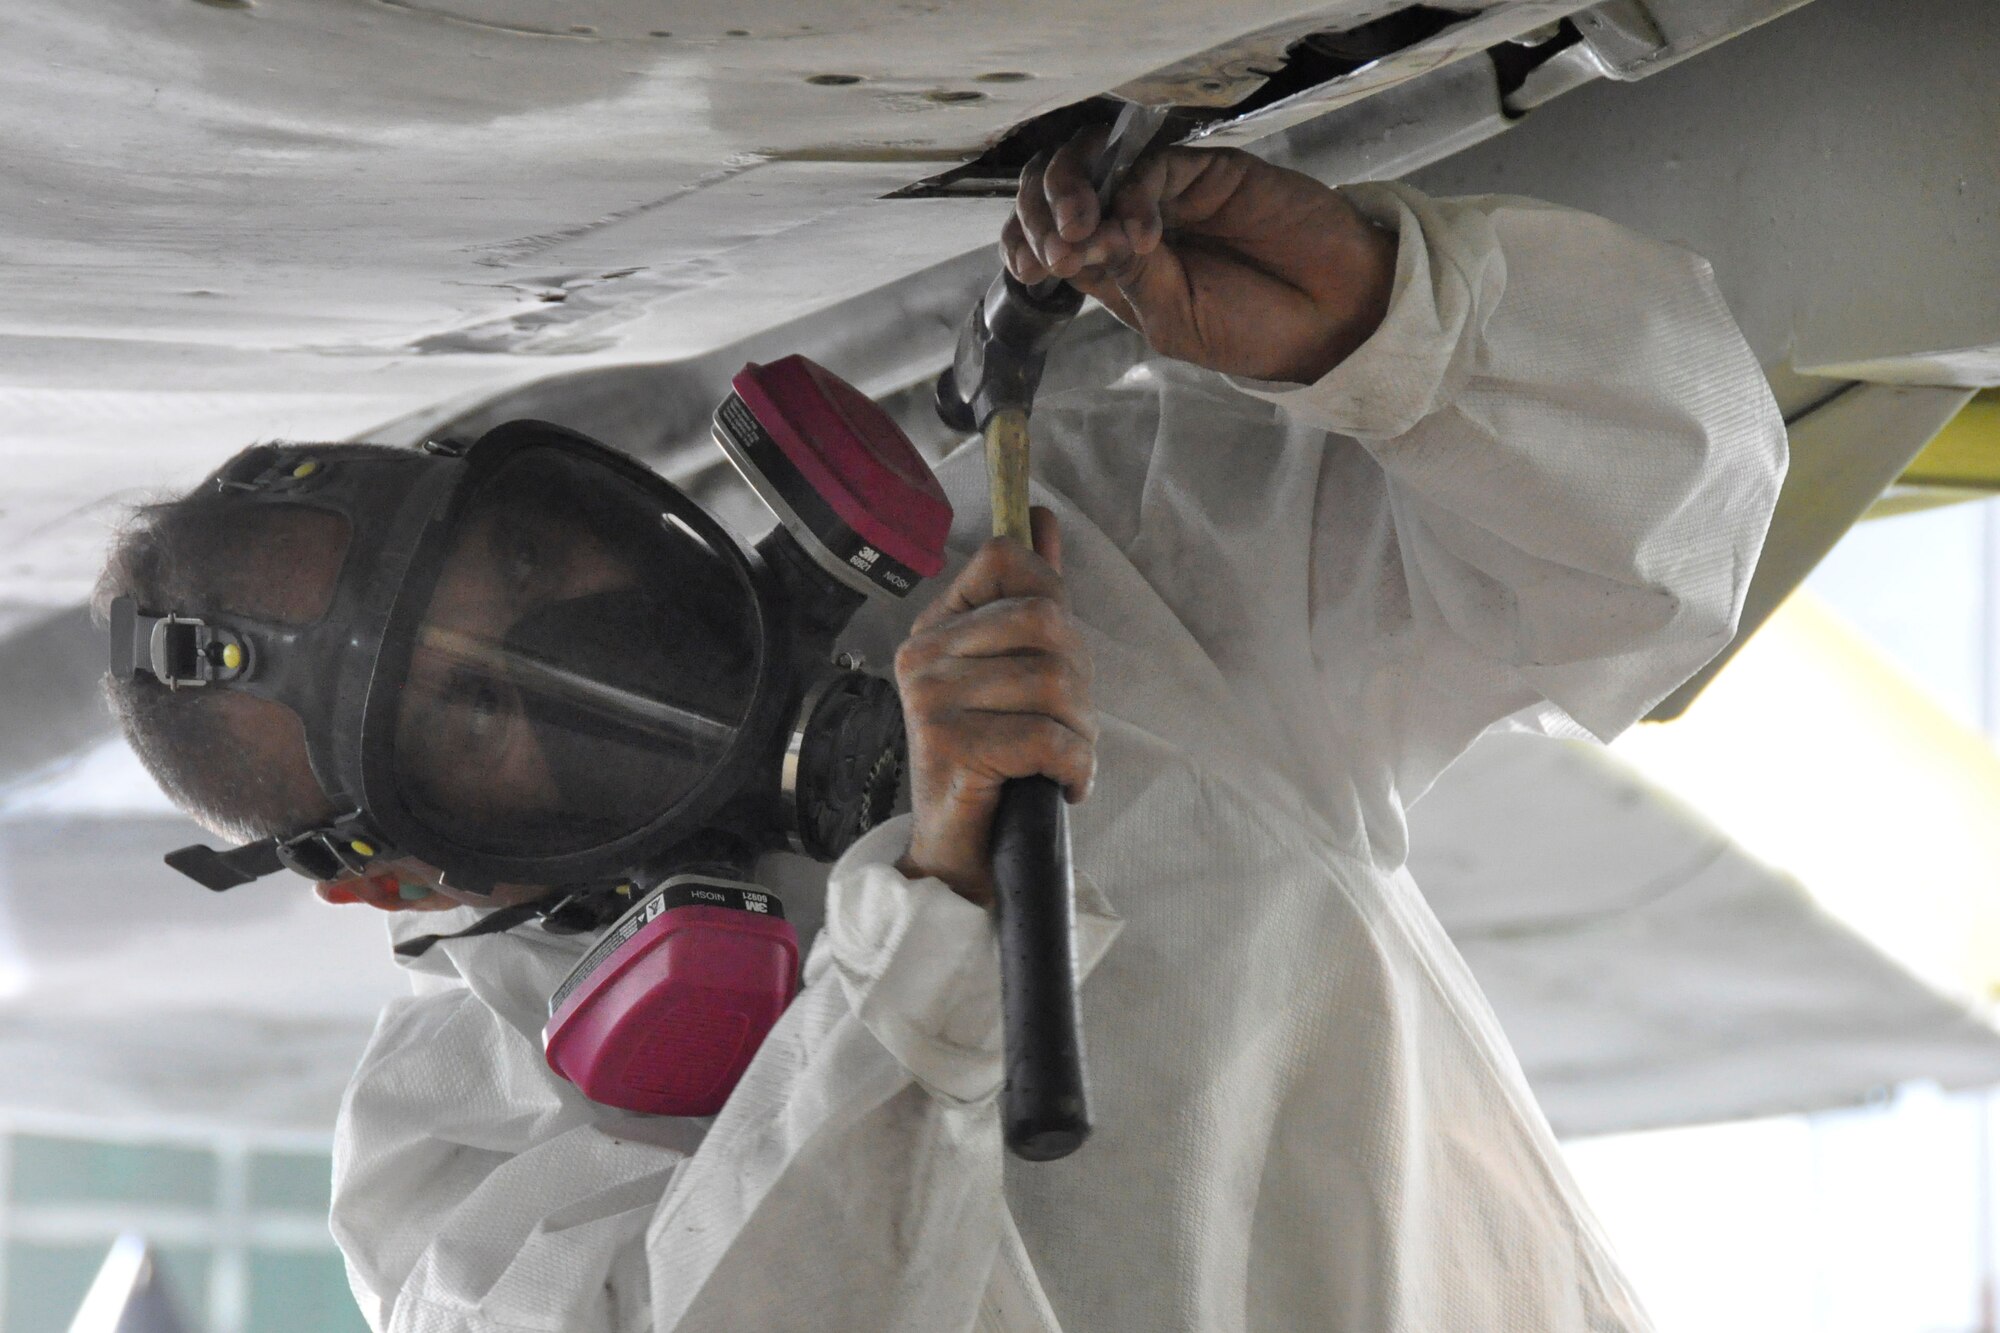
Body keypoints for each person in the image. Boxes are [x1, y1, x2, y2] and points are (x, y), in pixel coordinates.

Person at [97, 128, 1785, 1331]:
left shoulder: (1055, 568)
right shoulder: (462, 1165)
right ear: (391, 880)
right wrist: (935, 930)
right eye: (468, 706)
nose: (565, 648)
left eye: (527, 554)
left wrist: (1393, 333)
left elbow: (1662, 547)